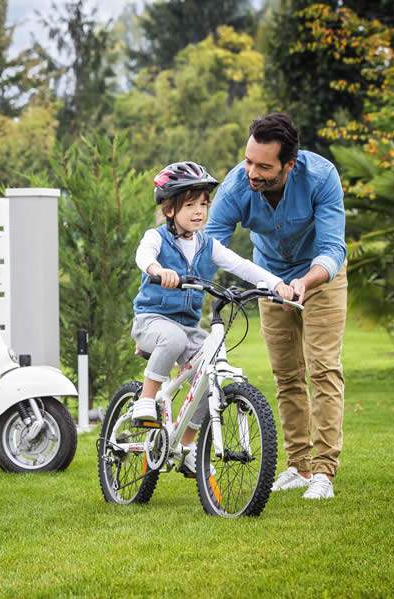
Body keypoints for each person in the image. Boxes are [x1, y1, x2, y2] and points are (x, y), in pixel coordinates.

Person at [205, 112, 347, 500]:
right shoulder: (237, 184)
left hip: (320, 277)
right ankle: (299, 467)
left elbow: (333, 247)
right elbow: (209, 244)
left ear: (289, 164)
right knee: (286, 375)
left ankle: (323, 473)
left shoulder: (321, 177)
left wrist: (304, 282)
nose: (252, 173)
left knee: (323, 368)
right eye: (249, 161)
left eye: (264, 167)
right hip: (270, 279)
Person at [131, 161, 294, 477]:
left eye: (203, 205)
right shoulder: (156, 237)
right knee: (173, 338)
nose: (199, 212)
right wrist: (157, 269)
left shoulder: (207, 244)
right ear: (169, 210)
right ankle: (146, 400)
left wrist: (276, 284)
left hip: (188, 326)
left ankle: (187, 446)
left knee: (213, 366)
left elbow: (242, 265)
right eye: (190, 205)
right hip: (152, 320)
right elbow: (144, 255)